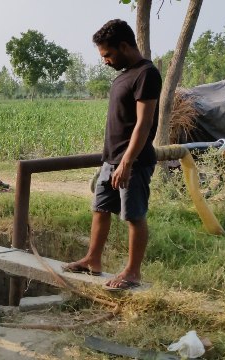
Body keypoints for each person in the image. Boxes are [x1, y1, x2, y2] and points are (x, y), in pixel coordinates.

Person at [62, 19, 162, 291]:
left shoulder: (146, 74)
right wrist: (113, 161)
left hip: (134, 162)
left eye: (108, 54)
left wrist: (127, 162)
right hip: (111, 160)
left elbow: (144, 123)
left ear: (124, 45)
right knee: (100, 209)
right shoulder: (124, 75)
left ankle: (132, 272)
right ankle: (92, 259)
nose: (105, 60)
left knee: (134, 215)